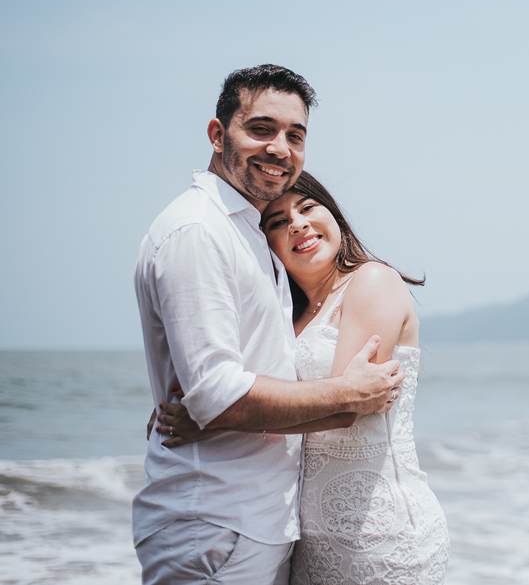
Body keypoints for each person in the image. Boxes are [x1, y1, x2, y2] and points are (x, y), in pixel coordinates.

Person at [134, 65, 405, 585]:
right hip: (215, 519)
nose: (280, 148)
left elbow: (223, 385)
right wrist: (346, 392)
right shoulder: (199, 230)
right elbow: (216, 393)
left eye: (295, 135)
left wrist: (208, 409)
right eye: (261, 129)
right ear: (218, 135)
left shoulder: (246, 235)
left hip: (260, 523)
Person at [156, 171, 450, 584]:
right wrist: (198, 398)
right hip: (307, 535)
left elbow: (345, 406)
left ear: (335, 217)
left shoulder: (371, 281)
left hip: (380, 531)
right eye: (277, 222)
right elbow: (255, 387)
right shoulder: (285, 317)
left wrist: (216, 417)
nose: (297, 223)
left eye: (308, 207)